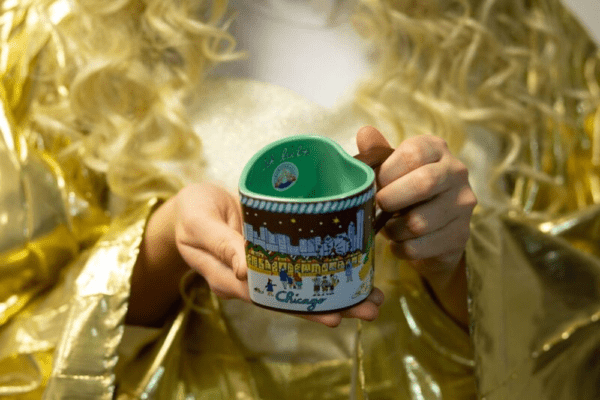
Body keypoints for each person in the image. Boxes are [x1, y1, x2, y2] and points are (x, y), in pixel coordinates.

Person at [0, 1, 599, 399]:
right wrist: (164, 243)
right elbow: (16, 340)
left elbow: (583, 318)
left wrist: (461, 263)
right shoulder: (58, 41)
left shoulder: (526, 38)